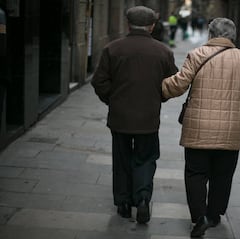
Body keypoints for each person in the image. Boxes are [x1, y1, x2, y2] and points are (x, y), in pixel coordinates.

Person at [162, 17, 240, 237]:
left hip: (198, 126)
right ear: (233, 36)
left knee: (195, 172)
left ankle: (199, 217)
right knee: (223, 174)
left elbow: (179, 83)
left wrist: (161, 88)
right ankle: (214, 215)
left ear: (210, 34)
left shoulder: (197, 55)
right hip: (230, 129)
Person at [91, 6, 178, 224]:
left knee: (121, 160)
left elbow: (99, 81)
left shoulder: (112, 49)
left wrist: (113, 100)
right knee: (145, 159)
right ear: (152, 26)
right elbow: (172, 83)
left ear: (128, 25)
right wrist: (158, 98)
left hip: (120, 117)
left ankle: (122, 203)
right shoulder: (163, 52)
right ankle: (142, 199)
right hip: (148, 119)